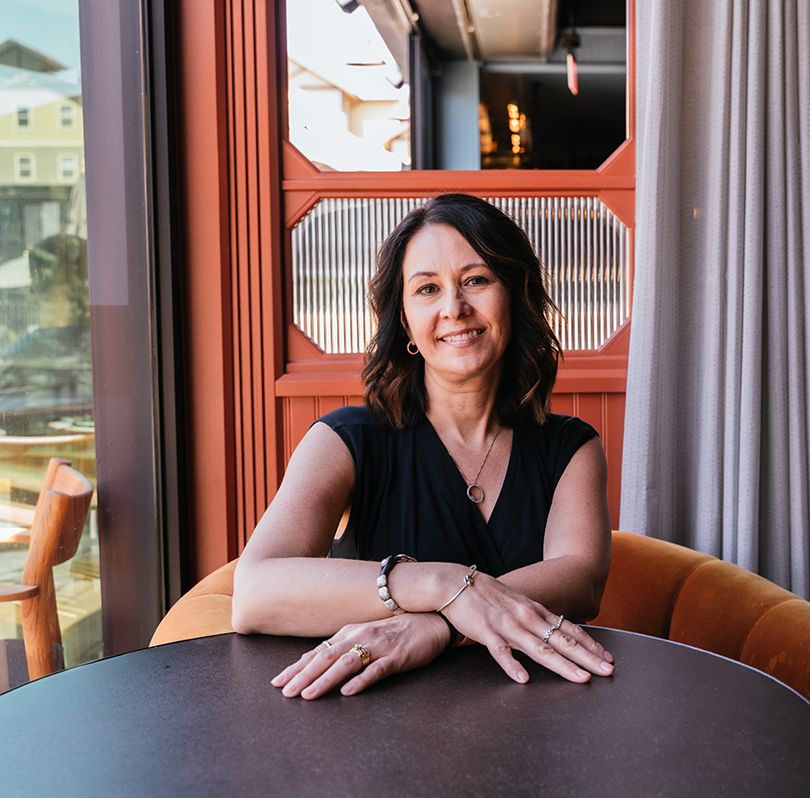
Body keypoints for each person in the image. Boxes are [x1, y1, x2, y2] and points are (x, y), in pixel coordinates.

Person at [232, 194, 614, 699]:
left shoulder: (570, 447)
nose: (454, 308)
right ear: (406, 322)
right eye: (427, 289)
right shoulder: (346, 439)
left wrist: (439, 627)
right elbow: (254, 594)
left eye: (476, 280)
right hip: (371, 720)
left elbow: (581, 581)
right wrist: (445, 587)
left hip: (532, 720)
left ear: (515, 296)